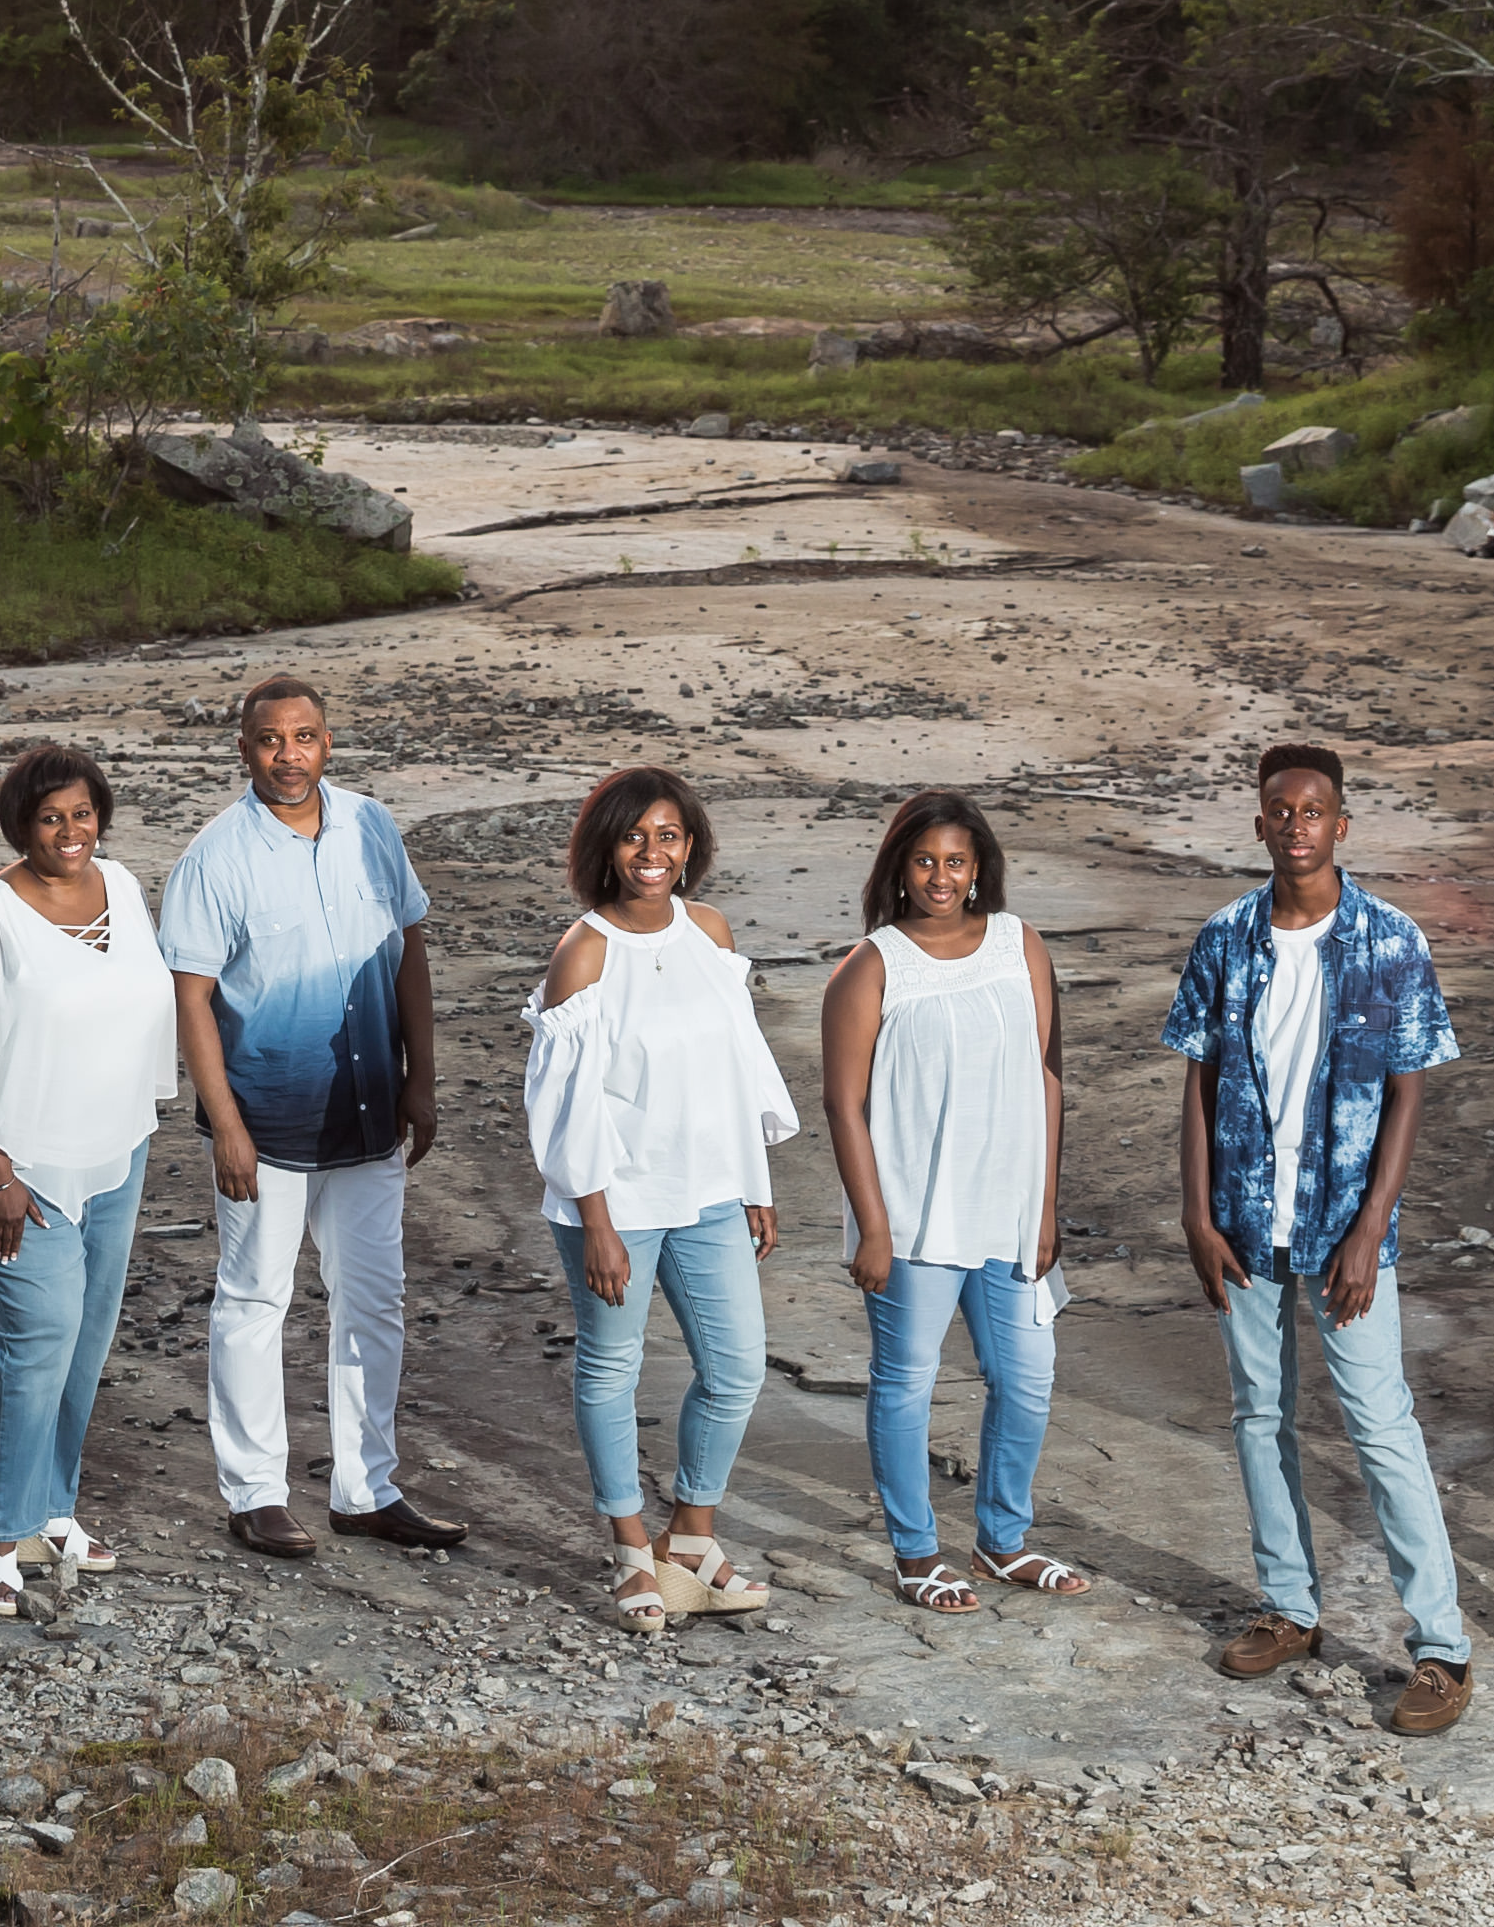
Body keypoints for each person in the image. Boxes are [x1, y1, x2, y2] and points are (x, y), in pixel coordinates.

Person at [1156, 741, 1478, 1734]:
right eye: (1279, 810)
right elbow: (1200, 1082)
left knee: (1381, 1428)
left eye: (1315, 810)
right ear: (1259, 825)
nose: (1297, 824)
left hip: (1347, 1227)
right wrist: (1197, 1214)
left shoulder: (1389, 939)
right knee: (1261, 1415)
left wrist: (1372, 1222)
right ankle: (1291, 1609)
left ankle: (1442, 1650)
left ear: (1342, 824)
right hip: (1247, 1224)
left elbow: (1408, 1087)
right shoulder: (1227, 939)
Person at [164, 673, 470, 1561]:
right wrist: (223, 1121)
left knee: (374, 1301)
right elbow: (192, 999)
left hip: (374, 1109)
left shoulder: (373, 826)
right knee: (255, 1299)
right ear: (244, 749)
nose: (287, 756)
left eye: (303, 737)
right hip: (266, 1120)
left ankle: (365, 1489)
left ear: (326, 741)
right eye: (269, 740)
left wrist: (425, 1078)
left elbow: (407, 946)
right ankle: (255, 1494)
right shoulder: (214, 859)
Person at [524, 764, 798, 1638]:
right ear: (606, 846)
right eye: (636, 835)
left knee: (737, 1368)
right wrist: (597, 1223)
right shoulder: (586, 953)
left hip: (713, 1193)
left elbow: (739, 1068)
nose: (653, 851)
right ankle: (632, 1552)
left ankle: (693, 1544)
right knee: (612, 1368)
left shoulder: (709, 932)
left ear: (691, 846)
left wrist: (756, 1181)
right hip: (620, 1206)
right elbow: (566, 1105)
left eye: (669, 835)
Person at [0, 738, 180, 1621]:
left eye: (81, 813)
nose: (69, 831)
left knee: (87, 1339)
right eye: (48, 818)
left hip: (113, 1150)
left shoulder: (125, 887)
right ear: (19, 827)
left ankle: (50, 1511)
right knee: (40, 1337)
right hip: (15, 1165)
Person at [817, 789, 1086, 1615]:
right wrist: (873, 1226)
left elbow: (1047, 1076)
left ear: (979, 870)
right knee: (905, 1384)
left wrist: (1044, 1208)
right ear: (901, 866)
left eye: (957, 861)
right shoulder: (872, 966)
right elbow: (843, 1105)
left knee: (1028, 1379)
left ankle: (1003, 1539)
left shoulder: (1019, 944)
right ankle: (916, 1552)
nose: (941, 876)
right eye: (926, 860)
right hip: (916, 1219)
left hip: (1008, 1210)